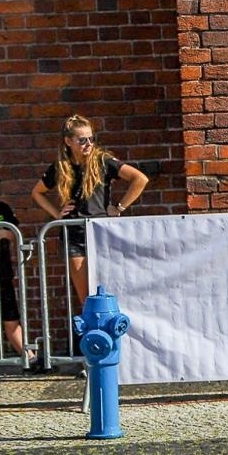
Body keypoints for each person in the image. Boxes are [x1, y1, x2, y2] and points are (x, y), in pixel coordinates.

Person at [30, 115, 150, 309]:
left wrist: (119, 207)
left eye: (91, 139)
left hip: (100, 232)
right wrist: (57, 214)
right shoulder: (61, 166)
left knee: (109, 289)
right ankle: (92, 327)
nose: (88, 144)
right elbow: (37, 192)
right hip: (74, 234)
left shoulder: (103, 161)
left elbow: (140, 179)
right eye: (82, 140)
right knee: (86, 297)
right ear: (68, 141)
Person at [0, 182, 34, 368]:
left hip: (2, 272)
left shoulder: (2, 208)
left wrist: (5, 234)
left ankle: (30, 358)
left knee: (11, 317)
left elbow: (17, 234)